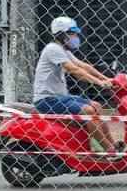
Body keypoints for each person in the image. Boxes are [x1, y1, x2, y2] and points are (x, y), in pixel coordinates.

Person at [33, 16, 121, 153]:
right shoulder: (53, 49)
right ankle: (109, 151)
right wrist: (100, 82)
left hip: (59, 97)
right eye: (73, 34)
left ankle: (114, 144)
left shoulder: (63, 50)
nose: (76, 37)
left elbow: (83, 66)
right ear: (62, 35)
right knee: (89, 111)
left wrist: (108, 79)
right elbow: (75, 70)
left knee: (97, 106)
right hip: (47, 99)